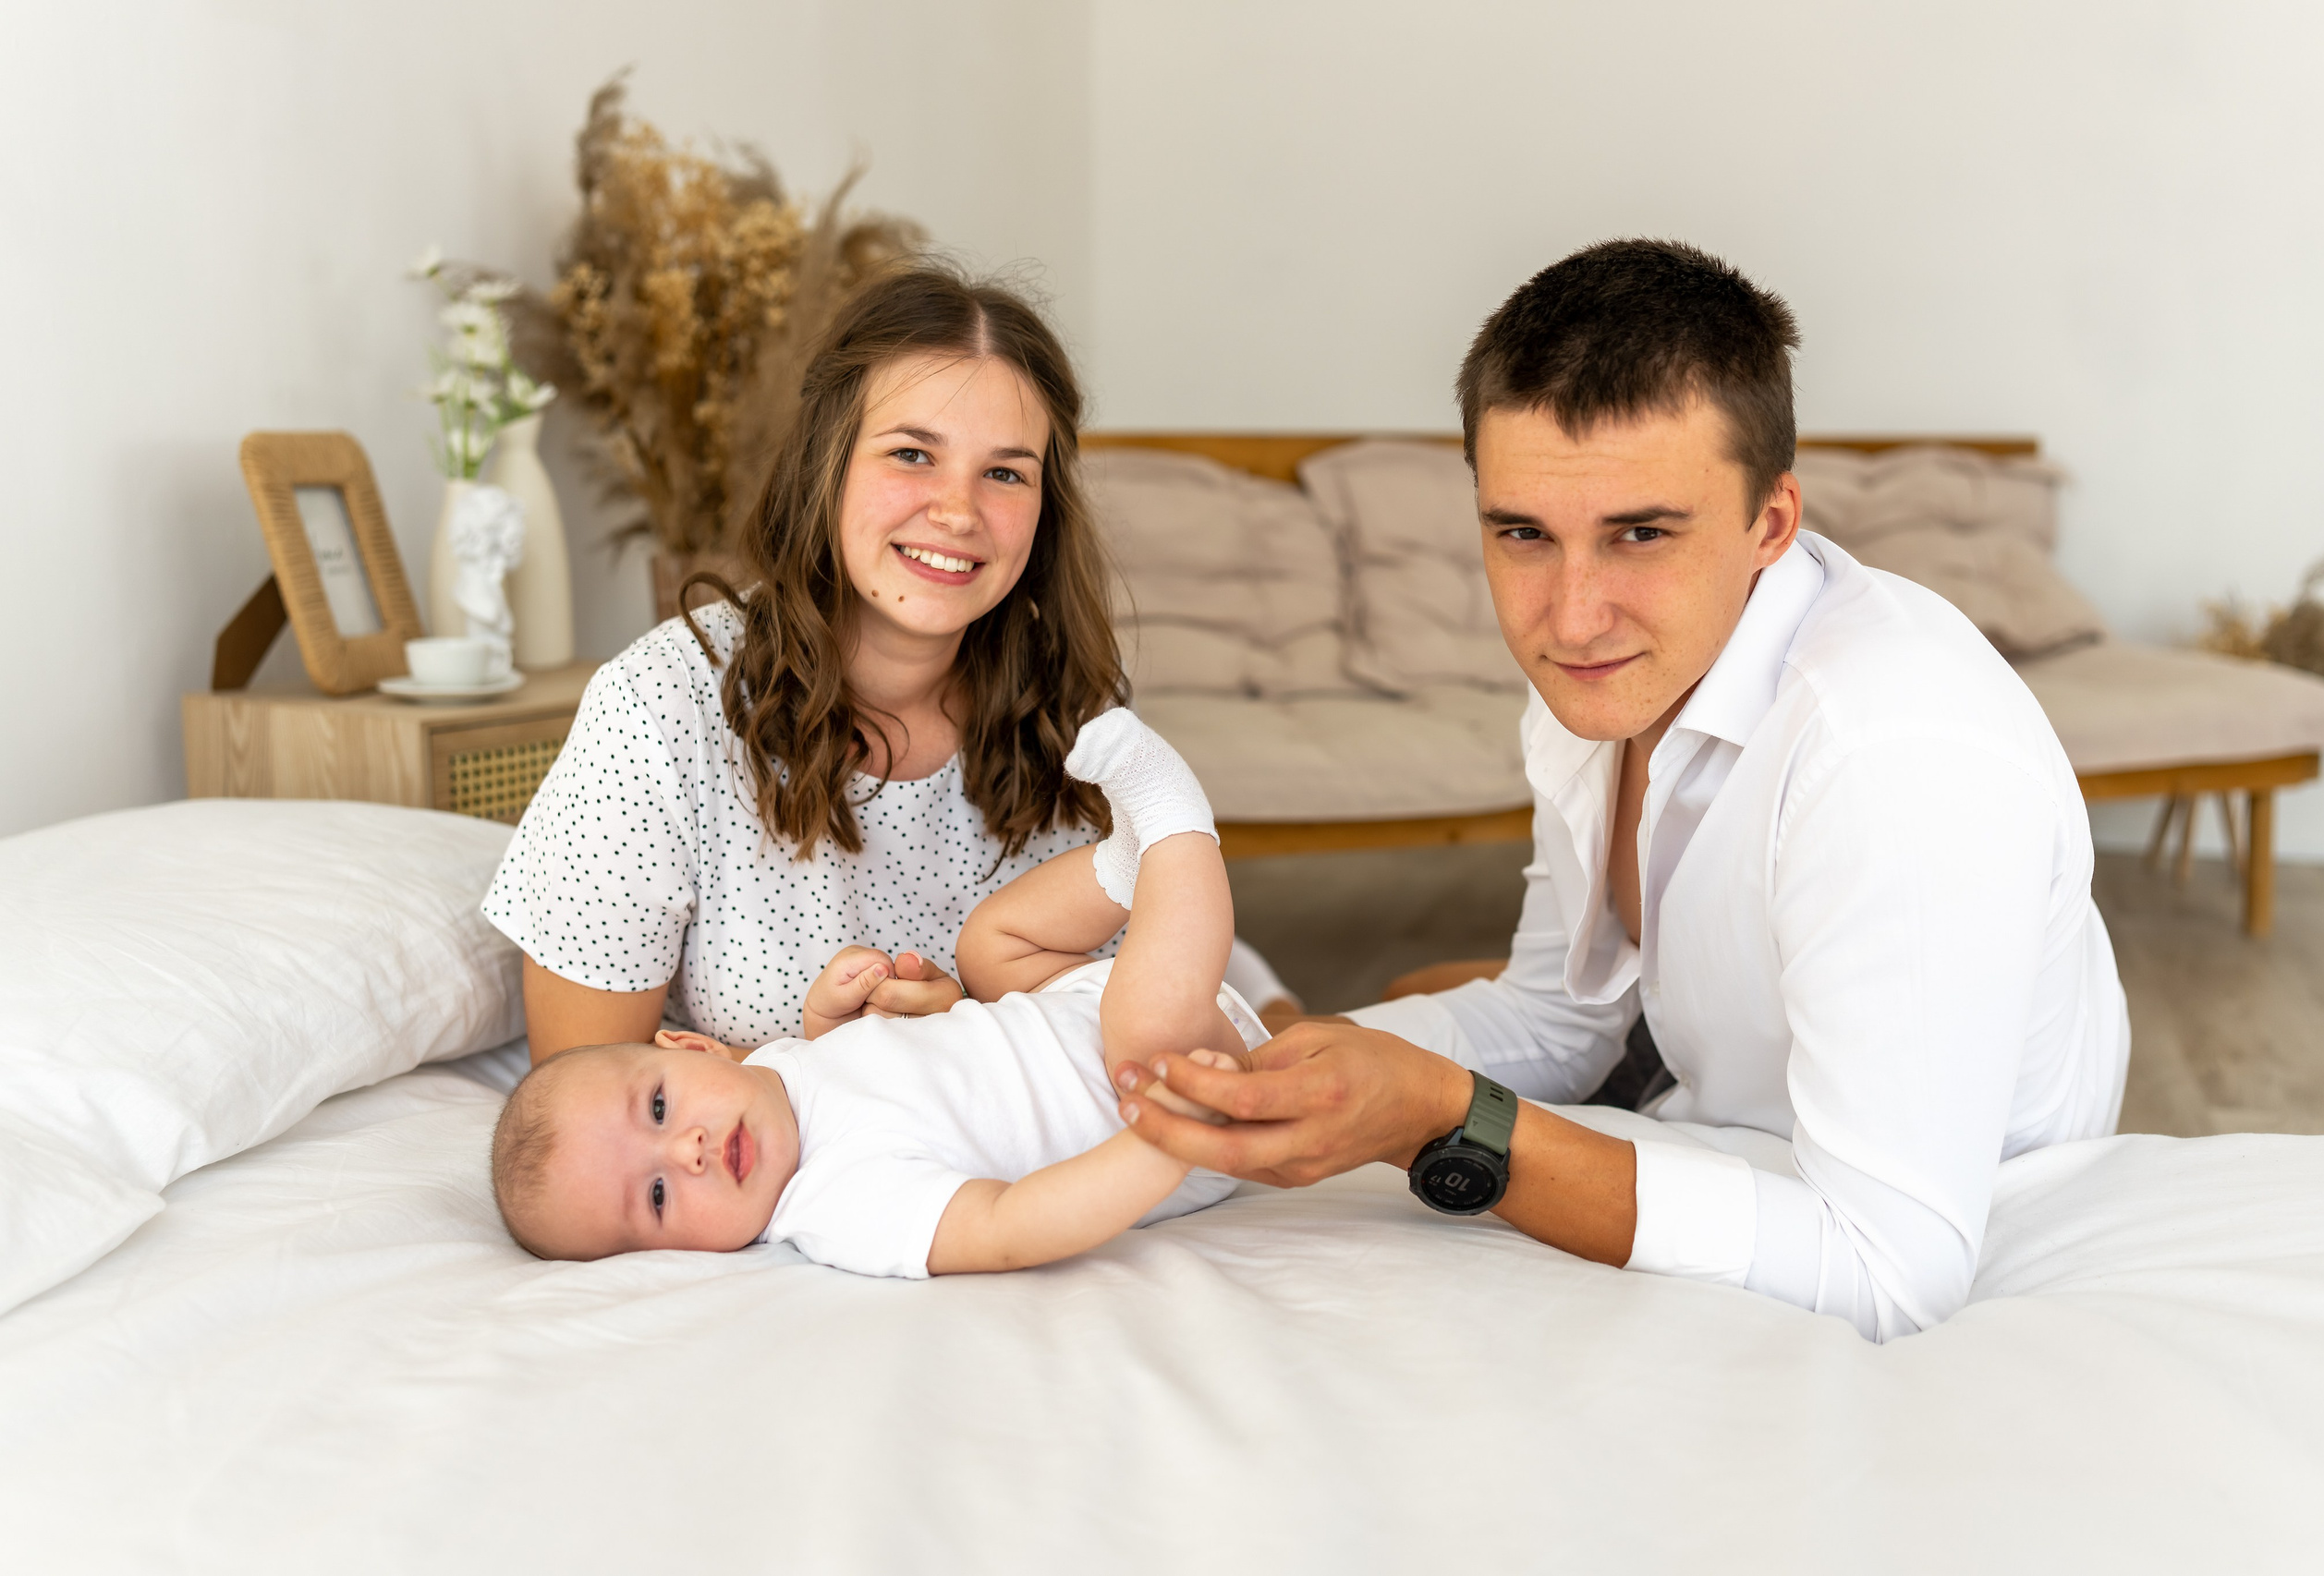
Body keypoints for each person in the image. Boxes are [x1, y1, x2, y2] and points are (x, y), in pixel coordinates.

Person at [1113, 239, 2131, 1341]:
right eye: (1522, 534)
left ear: (1771, 523)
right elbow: (1561, 1012)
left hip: (1890, 1207)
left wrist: (1444, 1119)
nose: (1569, 616)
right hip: (1705, 1095)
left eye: (1639, 534)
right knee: (1402, 1001)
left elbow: (1889, 1270)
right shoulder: (1612, 672)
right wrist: (1259, 1073)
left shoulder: (1893, 753)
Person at [481, 265, 1292, 1063]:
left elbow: (1151, 975)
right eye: (911, 454)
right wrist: (853, 1064)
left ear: (1045, 509)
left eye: (1005, 473)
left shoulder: (1076, 709)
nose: (958, 512)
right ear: (826, 463)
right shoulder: (659, 706)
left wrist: (965, 1036)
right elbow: (583, 1090)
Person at [490, 709, 1256, 1276]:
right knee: (1143, 1020)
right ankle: (1174, 825)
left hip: (1060, 1004)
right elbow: (1006, 1226)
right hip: (1154, 1089)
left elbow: (862, 1079)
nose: (686, 1151)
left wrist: (835, 1018)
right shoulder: (839, 1205)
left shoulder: (775, 1076)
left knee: (988, 943)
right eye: (657, 1197)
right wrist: (1162, 1143)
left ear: (694, 1048)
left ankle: (1127, 861)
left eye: (659, 1107)